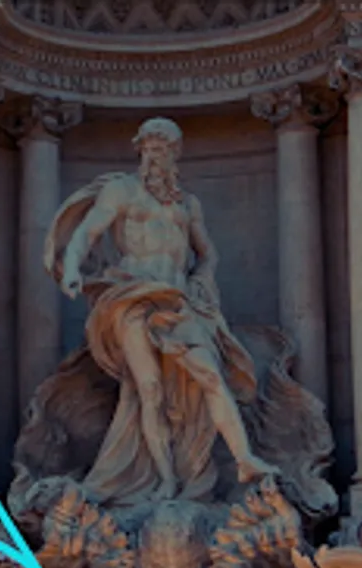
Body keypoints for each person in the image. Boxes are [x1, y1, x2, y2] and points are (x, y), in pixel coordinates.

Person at [48, 117, 278, 503]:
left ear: (176, 154)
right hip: (132, 297)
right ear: (140, 151)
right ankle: (166, 479)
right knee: (149, 389)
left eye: (165, 148)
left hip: (178, 300)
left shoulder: (188, 204)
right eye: (150, 148)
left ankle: (244, 459)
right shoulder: (122, 191)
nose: (156, 156)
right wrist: (72, 268)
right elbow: (87, 232)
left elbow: (208, 253)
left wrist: (203, 279)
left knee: (211, 375)